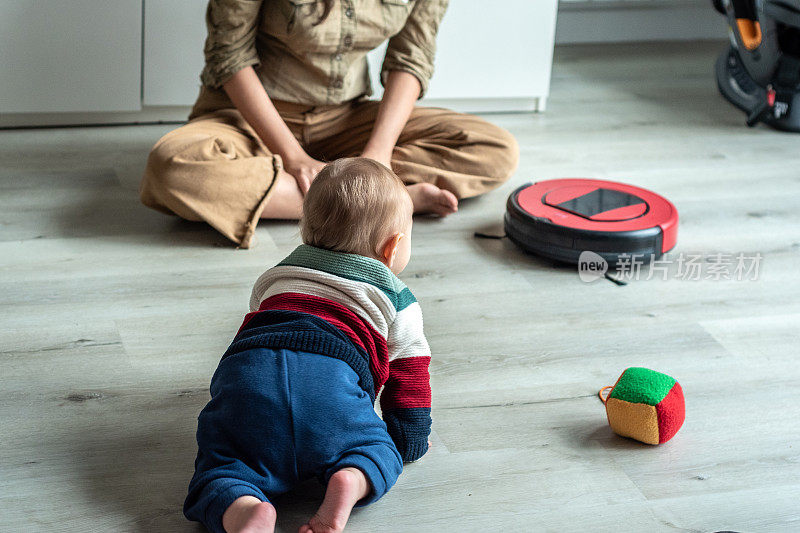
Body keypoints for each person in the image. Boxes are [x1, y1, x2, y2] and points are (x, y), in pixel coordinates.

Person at [140, 0, 519, 248]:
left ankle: (363, 188)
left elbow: (411, 58)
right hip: (248, 119)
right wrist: (292, 157)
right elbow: (228, 56)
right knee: (175, 167)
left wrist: (378, 155)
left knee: (494, 149)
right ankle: (390, 201)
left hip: (346, 117)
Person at [184, 158, 432, 533]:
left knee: (223, 464)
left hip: (249, 380)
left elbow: (259, 326)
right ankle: (350, 477)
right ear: (392, 247)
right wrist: (409, 440)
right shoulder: (397, 299)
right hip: (331, 390)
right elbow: (410, 379)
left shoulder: (277, 275)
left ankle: (244, 509)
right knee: (377, 451)